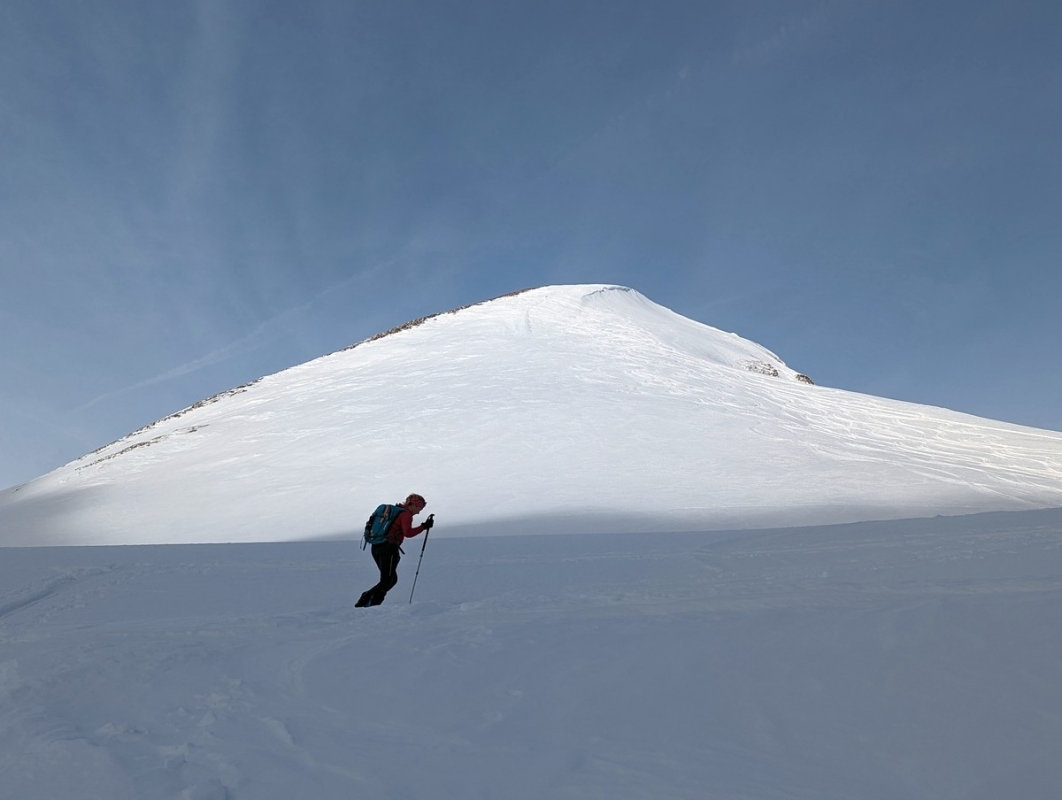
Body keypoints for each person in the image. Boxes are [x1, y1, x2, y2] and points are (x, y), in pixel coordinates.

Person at [355, 493, 433, 607]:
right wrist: (424, 526)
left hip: (376, 546)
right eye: (420, 508)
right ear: (413, 505)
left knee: (391, 579)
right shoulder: (406, 515)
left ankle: (366, 598)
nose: (420, 511)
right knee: (387, 580)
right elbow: (408, 533)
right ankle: (372, 604)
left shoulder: (396, 511)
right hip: (388, 548)